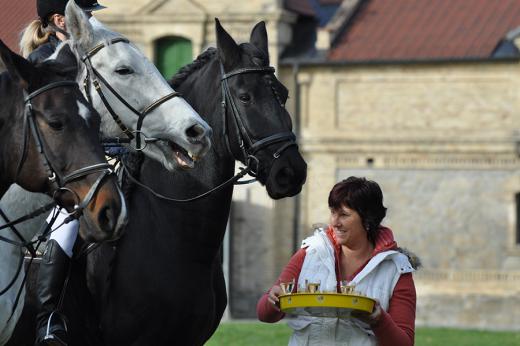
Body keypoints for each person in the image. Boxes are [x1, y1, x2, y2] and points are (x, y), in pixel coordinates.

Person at [19, 2, 106, 345]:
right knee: (68, 222)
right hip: (47, 175)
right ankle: (48, 317)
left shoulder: (82, 60)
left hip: (81, 167)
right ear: (60, 21)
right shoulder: (45, 65)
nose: (94, 19)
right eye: (87, 13)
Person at [257, 177, 419, 346]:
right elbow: (264, 314)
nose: (334, 222)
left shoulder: (397, 268)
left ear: (368, 219)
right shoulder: (310, 252)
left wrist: (378, 319)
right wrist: (272, 300)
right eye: (333, 212)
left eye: (344, 215)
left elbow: (404, 343)